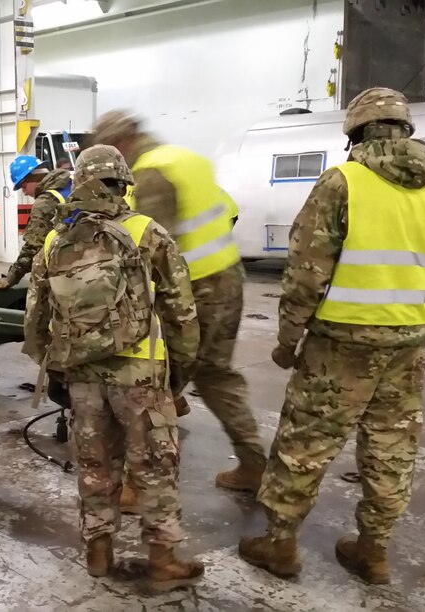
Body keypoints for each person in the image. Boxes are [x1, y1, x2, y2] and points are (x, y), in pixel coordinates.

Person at [237, 87, 425, 584]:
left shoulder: (343, 182)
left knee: (306, 441)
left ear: (354, 131)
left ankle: (280, 545)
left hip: (341, 345)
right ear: (407, 130)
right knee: (392, 446)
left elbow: (306, 272)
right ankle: (373, 551)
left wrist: (287, 338)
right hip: (408, 345)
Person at [24, 145, 203, 591]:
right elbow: (182, 312)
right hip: (140, 372)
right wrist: (179, 374)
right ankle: (162, 560)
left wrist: (55, 365)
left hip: (83, 373)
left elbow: (35, 318)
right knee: (155, 467)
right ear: (124, 184)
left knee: (95, 464)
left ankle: (98, 553)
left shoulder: (53, 240)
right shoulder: (148, 232)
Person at [93, 111, 266, 501]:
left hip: (192, 295)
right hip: (227, 282)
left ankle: (139, 486)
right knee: (217, 377)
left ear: (121, 144)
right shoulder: (185, 158)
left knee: (150, 382)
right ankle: (255, 465)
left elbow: (153, 250)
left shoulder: (150, 173)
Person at [0, 155, 72, 290]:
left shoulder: (45, 202)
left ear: (34, 178)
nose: (25, 192)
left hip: (65, 273)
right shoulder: (74, 183)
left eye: (24, 186)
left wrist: (11, 278)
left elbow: (33, 247)